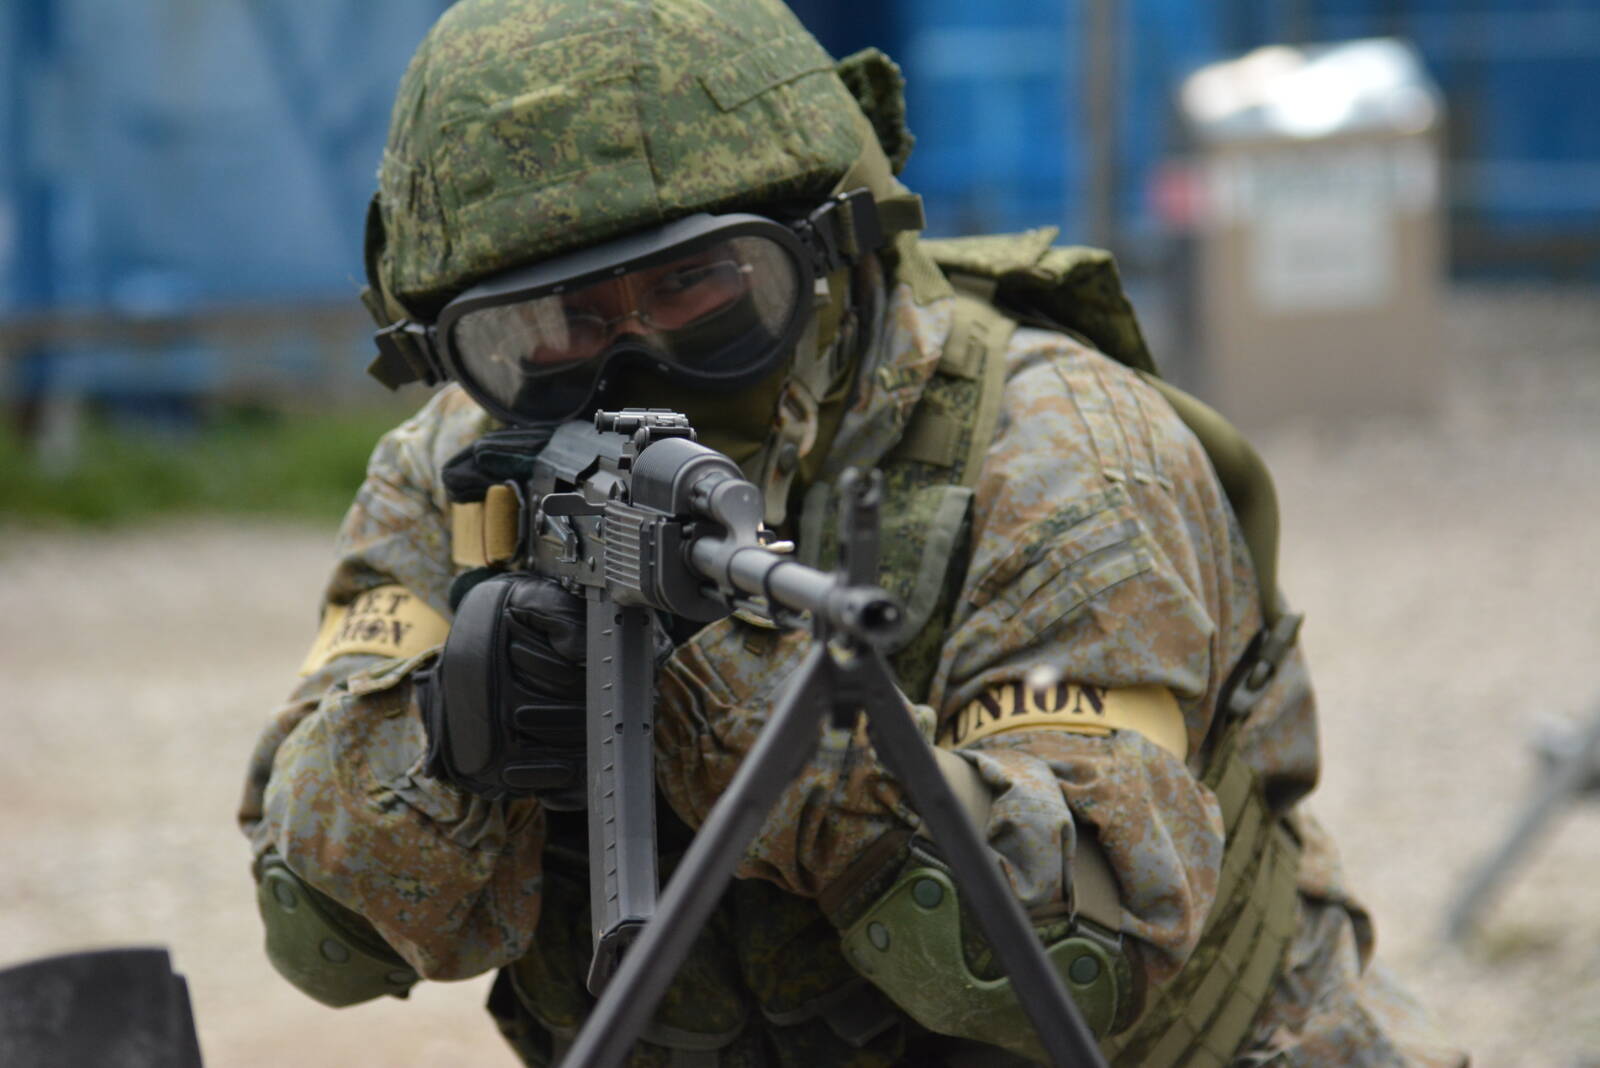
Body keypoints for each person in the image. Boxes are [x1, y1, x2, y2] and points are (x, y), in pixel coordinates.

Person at [238, 1, 1466, 1064]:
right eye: (555, 324)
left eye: (694, 285)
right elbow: (318, 935)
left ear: (829, 250)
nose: (634, 360)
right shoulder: (460, 470)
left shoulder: (1055, 455)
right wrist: (446, 740)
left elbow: (1078, 958)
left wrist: (744, 705)